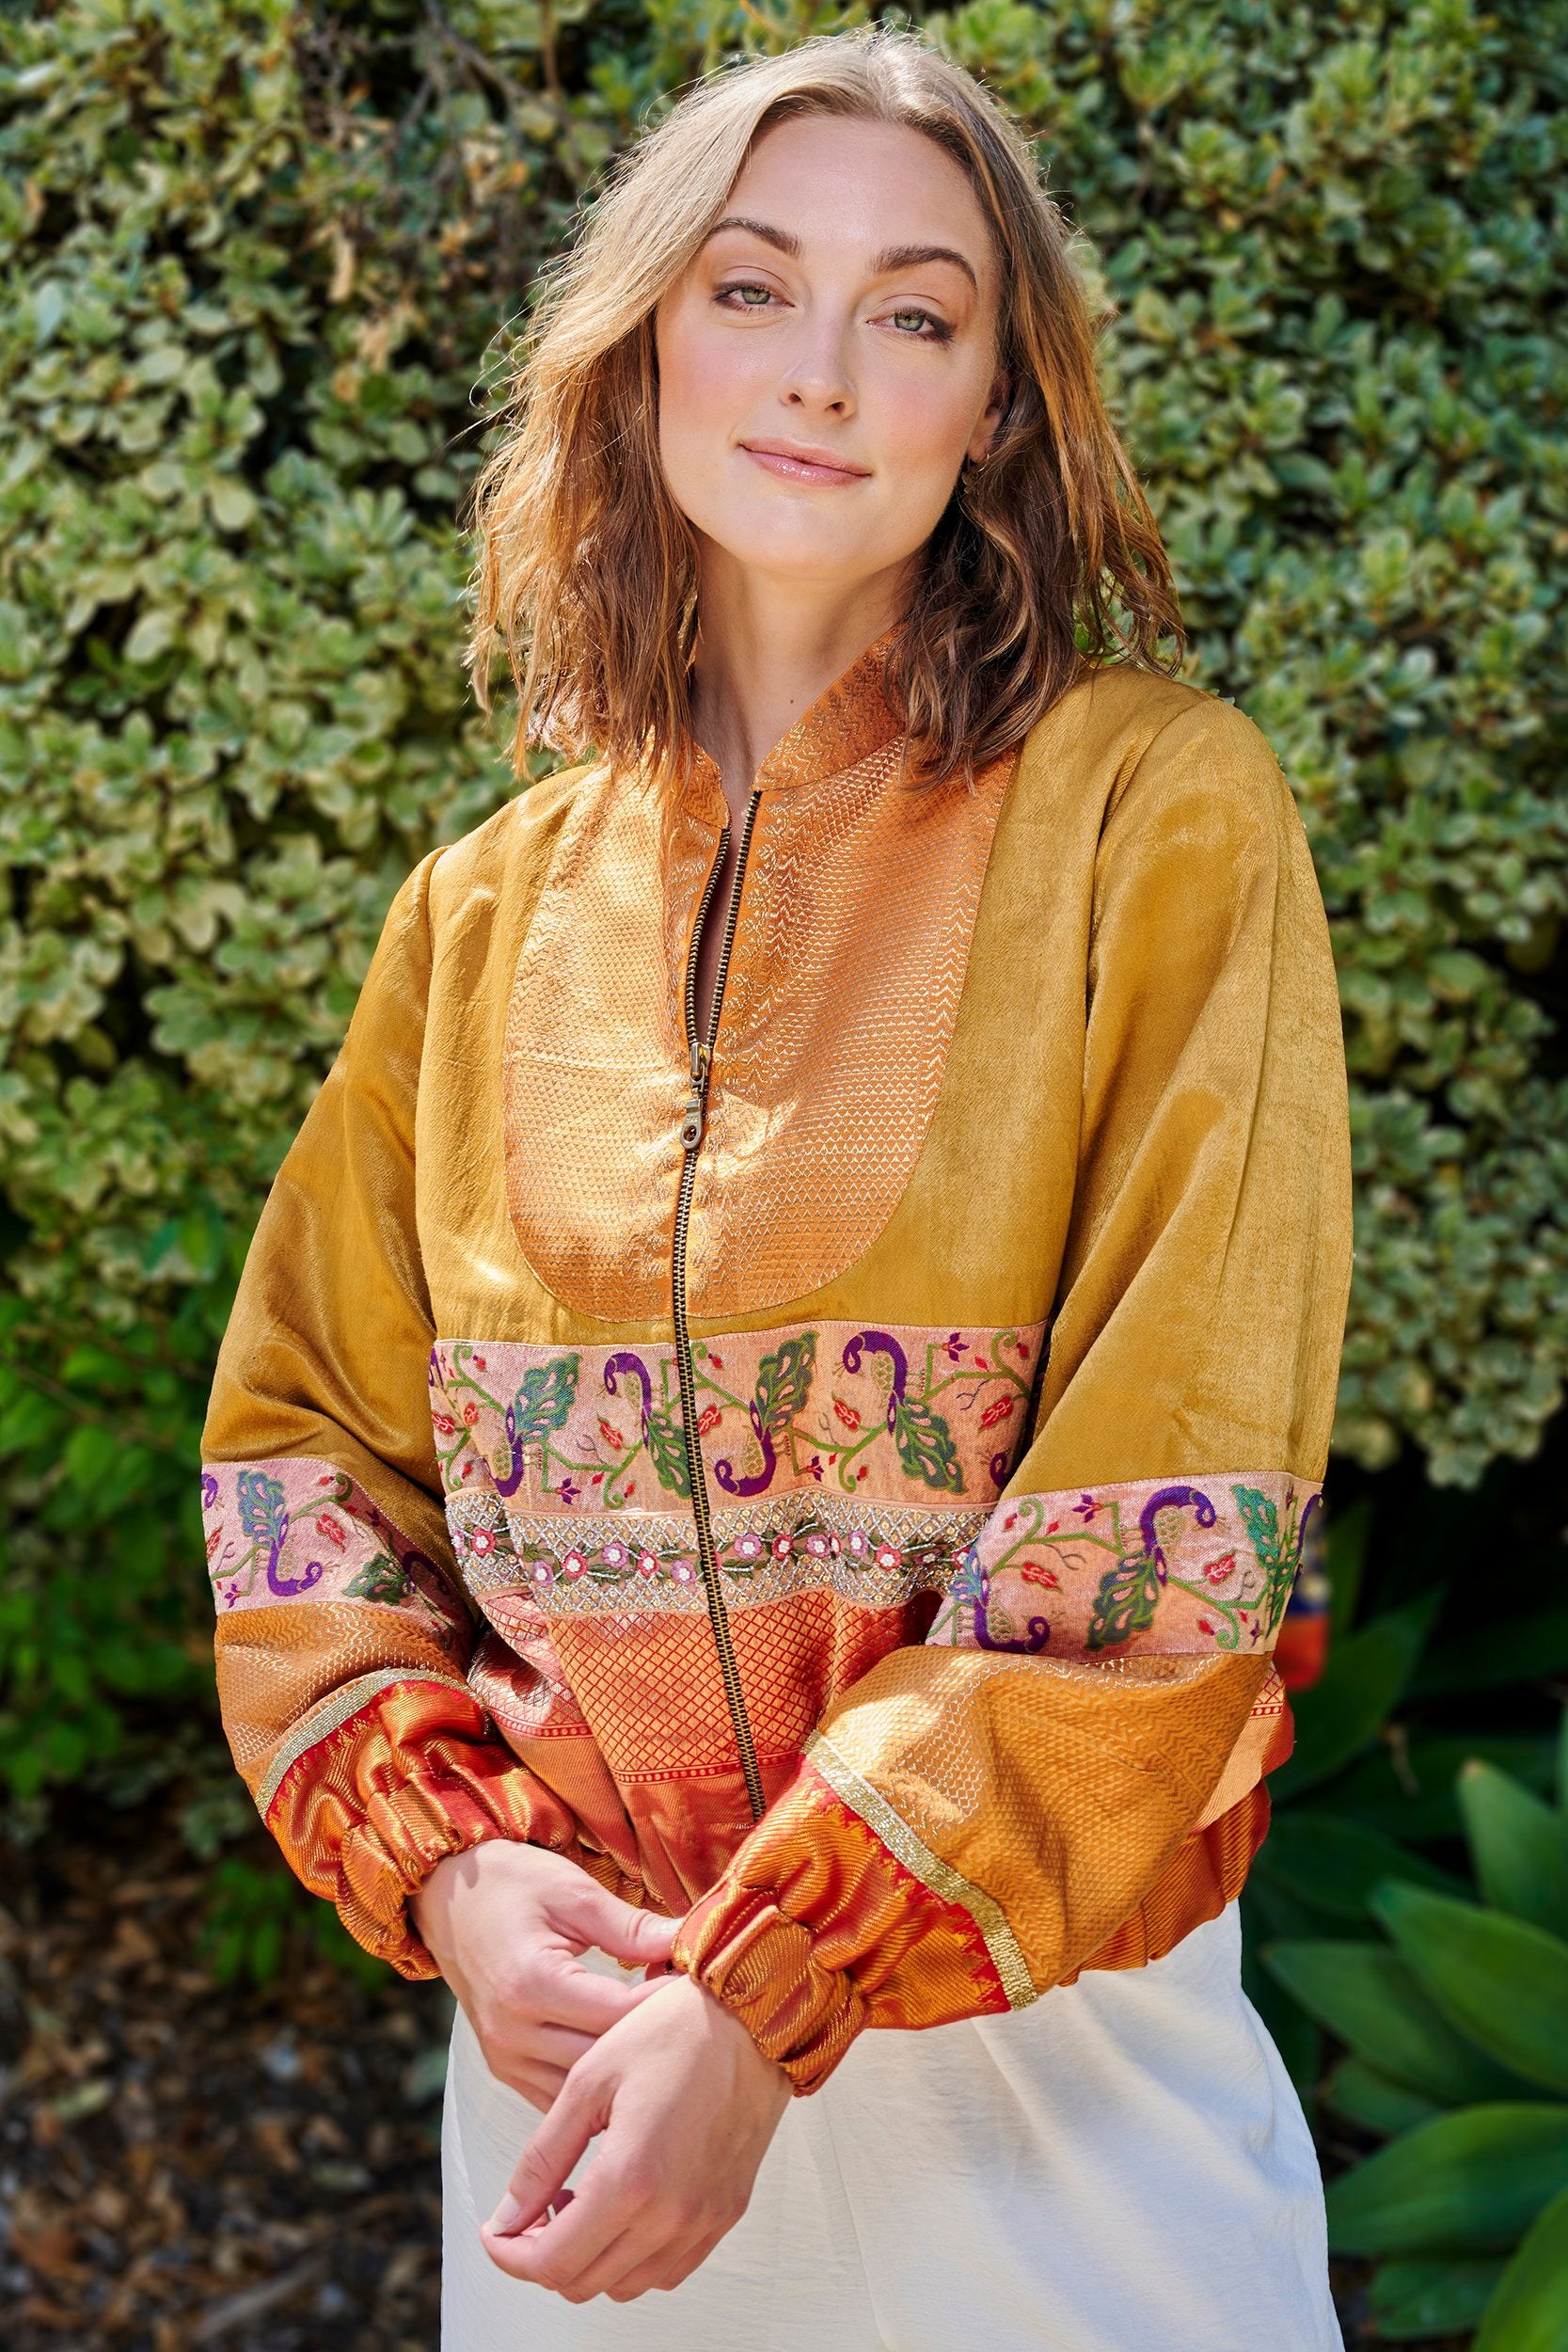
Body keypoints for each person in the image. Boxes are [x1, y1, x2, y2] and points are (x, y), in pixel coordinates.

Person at [199, 26, 1352, 2349]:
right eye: (749, 288)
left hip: (1044, 2112)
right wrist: (460, 1889)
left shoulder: (1161, 812)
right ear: (639, 351)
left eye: (915, 314)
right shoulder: (477, 909)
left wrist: (778, 1985)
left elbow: (1168, 1509)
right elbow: (300, 1469)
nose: (822, 372)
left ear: (996, 406)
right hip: (573, 2103)